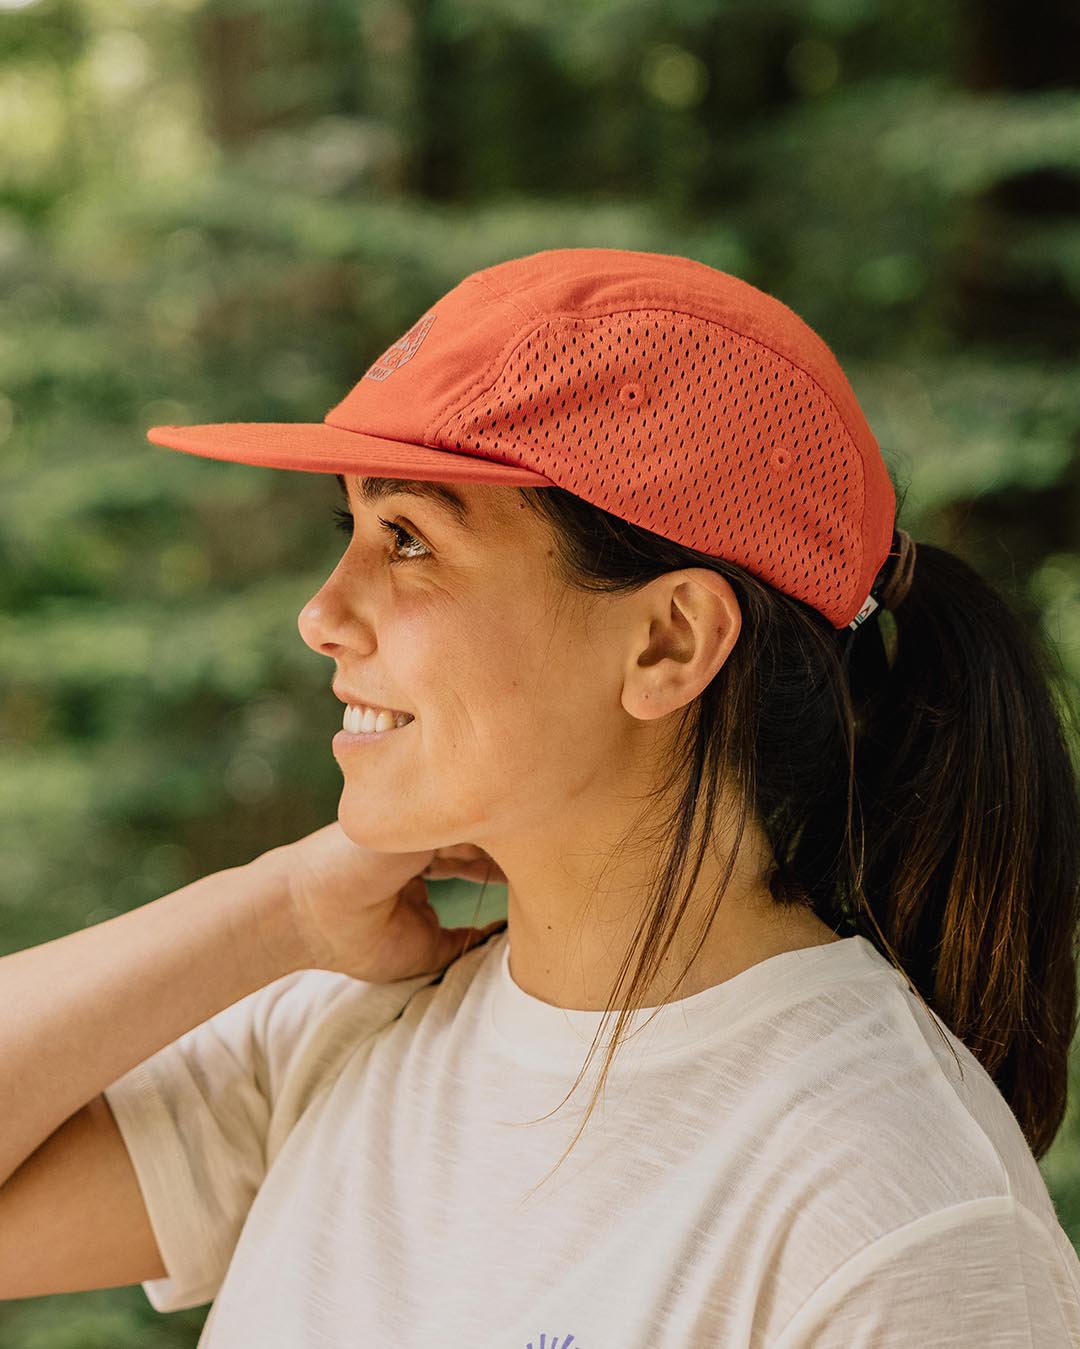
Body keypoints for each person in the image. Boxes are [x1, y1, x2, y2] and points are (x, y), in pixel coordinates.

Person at [2, 247, 1079, 1346]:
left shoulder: (901, 1215)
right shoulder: (348, 1028)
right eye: (353, 531)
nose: (321, 615)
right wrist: (282, 908)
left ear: (670, 640)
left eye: (409, 538)